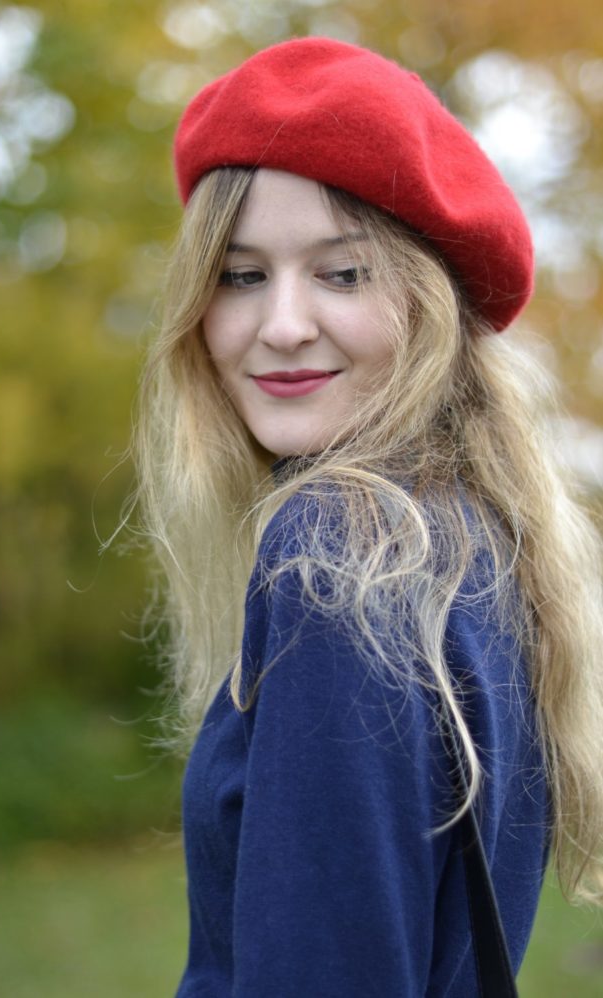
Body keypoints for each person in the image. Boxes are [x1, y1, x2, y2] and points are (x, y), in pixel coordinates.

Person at [134, 37, 603, 996]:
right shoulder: (464, 540)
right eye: (241, 274)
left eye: (342, 274)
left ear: (427, 309)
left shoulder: (340, 559)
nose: (283, 324)